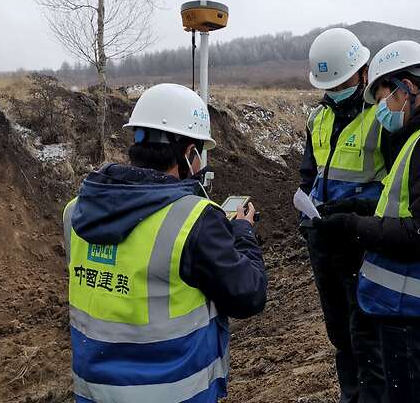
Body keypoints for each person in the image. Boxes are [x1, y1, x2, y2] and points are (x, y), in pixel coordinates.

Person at [62, 83, 267, 403]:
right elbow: (248, 295)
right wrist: (242, 232)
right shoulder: (194, 219)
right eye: (200, 154)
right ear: (189, 153)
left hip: (95, 392)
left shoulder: (76, 212)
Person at [313, 40, 420, 402]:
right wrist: (354, 212)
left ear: (406, 88)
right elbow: (411, 211)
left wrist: (351, 228)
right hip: (414, 313)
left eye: (382, 98)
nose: (381, 109)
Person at [299, 28, 389, 402]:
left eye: (343, 81)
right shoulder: (317, 119)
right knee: (340, 334)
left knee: (368, 337)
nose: (336, 89)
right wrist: (308, 218)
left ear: (363, 73)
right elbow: (310, 175)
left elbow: (398, 184)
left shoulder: (382, 118)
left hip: (364, 242)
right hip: (326, 244)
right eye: (330, 83)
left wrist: (353, 211)